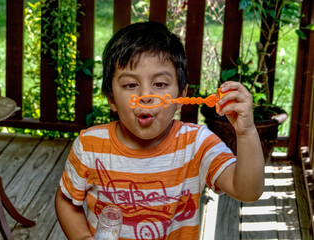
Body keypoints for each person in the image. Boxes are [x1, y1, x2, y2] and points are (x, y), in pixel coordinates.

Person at [55, 21, 264, 240]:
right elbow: (66, 200)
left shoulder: (197, 144)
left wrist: (246, 132)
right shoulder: (90, 146)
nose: (146, 95)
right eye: (130, 85)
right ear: (111, 99)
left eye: (160, 84)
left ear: (181, 97)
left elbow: (248, 191)